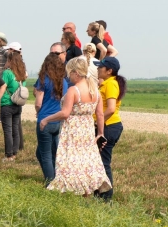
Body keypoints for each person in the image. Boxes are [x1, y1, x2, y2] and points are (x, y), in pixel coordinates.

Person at [41, 58, 111, 196]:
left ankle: (71, 191)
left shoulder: (74, 90)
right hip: (87, 130)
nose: (68, 76)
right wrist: (100, 133)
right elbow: (100, 115)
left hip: (72, 131)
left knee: (70, 161)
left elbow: (65, 113)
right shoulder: (95, 91)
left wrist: (46, 119)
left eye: (69, 73)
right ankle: (86, 192)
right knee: (86, 161)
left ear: (76, 73)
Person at [94, 57, 126, 202]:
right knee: (98, 161)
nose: (98, 69)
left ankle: (106, 197)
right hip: (107, 125)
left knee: (103, 162)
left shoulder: (111, 84)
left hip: (109, 126)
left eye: (101, 67)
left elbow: (111, 109)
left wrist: (98, 121)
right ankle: (98, 192)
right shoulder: (106, 83)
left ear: (109, 71)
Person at [34, 53, 69, 186]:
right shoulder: (64, 82)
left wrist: (38, 112)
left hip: (45, 120)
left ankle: (51, 183)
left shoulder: (43, 80)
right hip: (58, 120)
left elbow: (38, 102)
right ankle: (57, 177)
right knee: (48, 152)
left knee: (46, 155)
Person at [0, 52, 26, 161]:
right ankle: (14, 153)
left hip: (7, 104)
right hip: (18, 104)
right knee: (15, 130)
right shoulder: (21, 74)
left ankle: (9, 154)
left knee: (8, 131)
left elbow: (2, 86)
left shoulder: (7, 73)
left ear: (10, 61)